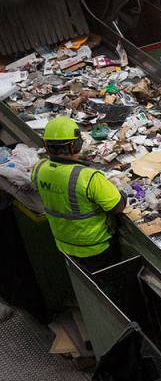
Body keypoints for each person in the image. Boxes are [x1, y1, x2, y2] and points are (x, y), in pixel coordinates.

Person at [33, 116, 126, 272]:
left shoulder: (38, 169)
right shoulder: (87, 177)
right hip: (96, 248)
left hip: (64, 244)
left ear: (46, 146)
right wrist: (123, 192)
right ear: (75, 145)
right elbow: (117, 207)